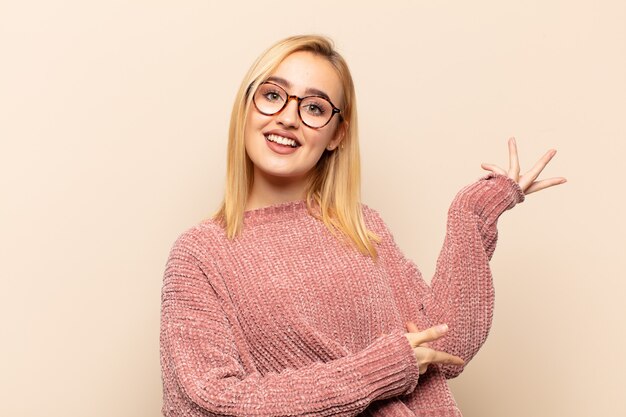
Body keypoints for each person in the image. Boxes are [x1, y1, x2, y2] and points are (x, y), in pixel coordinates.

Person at [159, 35, 566, 417]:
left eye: (314, 107)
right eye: (272, 95)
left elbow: (445, 345)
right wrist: (380, 369)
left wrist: (472, 214)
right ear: (245, 107)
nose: (288, 118)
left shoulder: (362, 227)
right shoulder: (200, 254)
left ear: (337, 134)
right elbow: (213, 403)